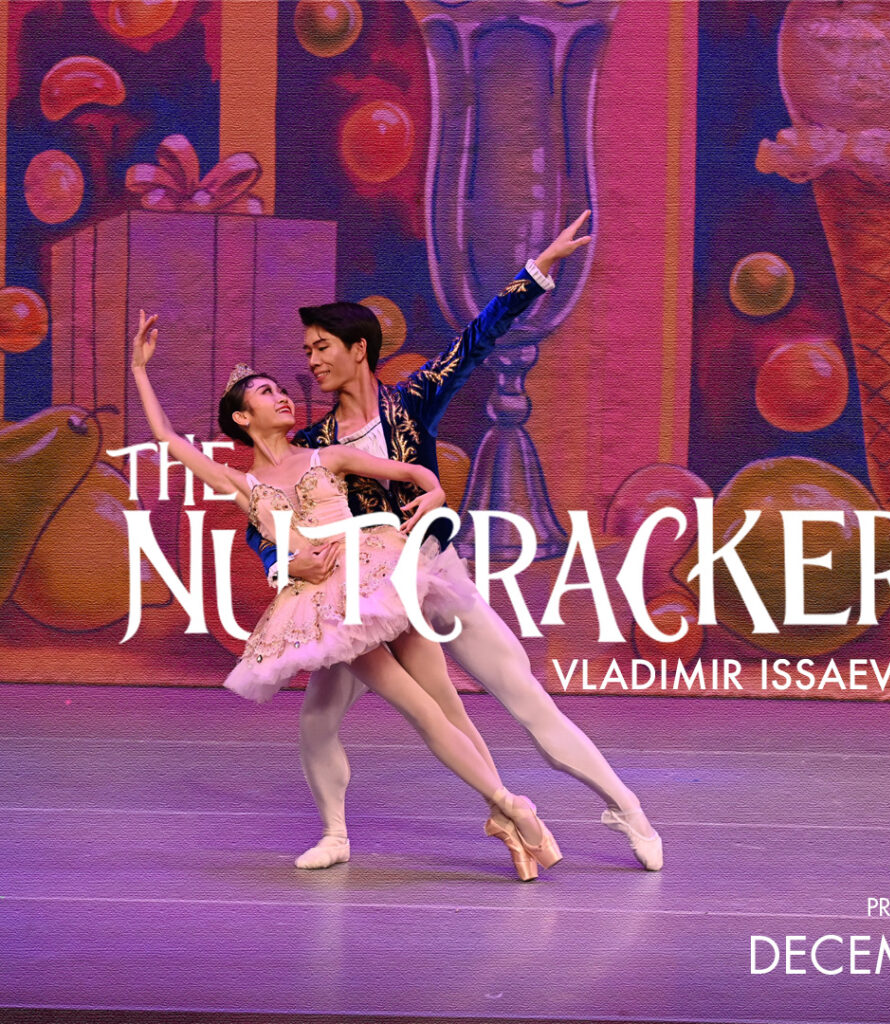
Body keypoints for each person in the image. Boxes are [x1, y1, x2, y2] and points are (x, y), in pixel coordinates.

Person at [247, 211, 664, 872]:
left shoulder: (411, 402)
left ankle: (626, 807)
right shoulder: (314, 446)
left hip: (436, 576)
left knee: (525, 699)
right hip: (368, 601)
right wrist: (281, 561)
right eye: (306, 351)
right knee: (317, 721)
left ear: (359, 348)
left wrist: (537, 273)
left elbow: (476, 340)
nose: (312, 360)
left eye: (321, 346)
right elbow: (264, 520)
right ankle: (337, 834)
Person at [129, 311, 560, 882]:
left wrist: (432, 495)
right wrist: (139, 370)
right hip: (327, 606)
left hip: (373, 577)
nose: (284, 396)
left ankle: (510, 810)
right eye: (267, 393)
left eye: (283, 390)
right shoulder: (242, 484)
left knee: (433, 707)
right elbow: (166, 439)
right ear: (242, 417)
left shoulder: (323, 455)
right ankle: (503, 811)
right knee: (406, 712)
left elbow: (415, 472)